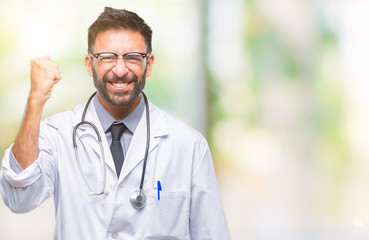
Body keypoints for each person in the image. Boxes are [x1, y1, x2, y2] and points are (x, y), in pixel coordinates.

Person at [0, 7, 230, 239]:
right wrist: (35, 100)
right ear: (90, 64)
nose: (120, 70)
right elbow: (20, 198)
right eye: (108, 57)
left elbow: (212, 233)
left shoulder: (187, 145)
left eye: (132, 57)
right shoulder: (59, 134)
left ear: (148, 64)